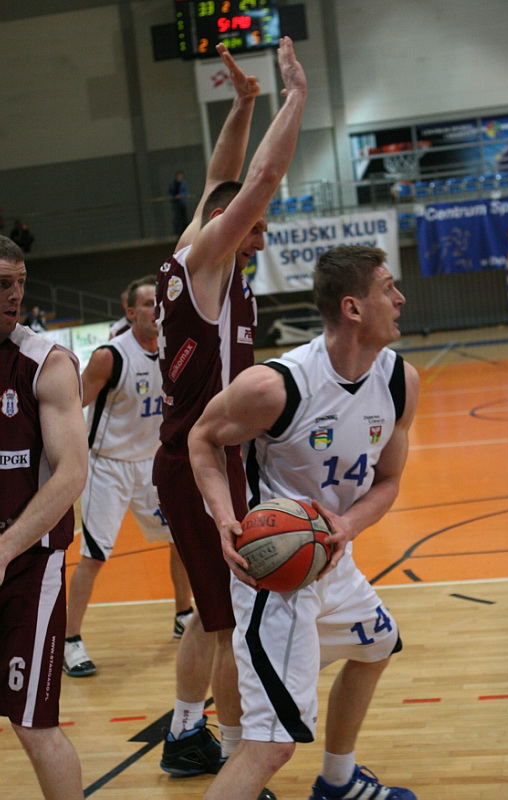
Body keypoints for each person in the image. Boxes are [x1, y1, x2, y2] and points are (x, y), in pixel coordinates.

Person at [188, 245, 420, 800]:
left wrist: (348, 525)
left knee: (378, 645)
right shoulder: (275, 387)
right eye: (387, 287)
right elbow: (201, 438)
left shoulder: (399, 381)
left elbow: (388, 481)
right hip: (279, 579)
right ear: (352, 308)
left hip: (332, 558)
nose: (400, 298)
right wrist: (224, 518)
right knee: (271, 748)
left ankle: (339, 781)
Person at [152, 37, 306, 797]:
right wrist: (292, 99)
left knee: (211, 615)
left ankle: (186, 734)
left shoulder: (198, 252)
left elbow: (223, 179)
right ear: (225, 225)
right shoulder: (209, 261)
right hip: (198, 461)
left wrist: (242, 106)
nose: (262, 231)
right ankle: (242, 761)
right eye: (255, 224)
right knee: (230, 624)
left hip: (196, 457)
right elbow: (257, 179)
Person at [63, 275, 193, 678]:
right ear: (131, 312)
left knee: (180, 540)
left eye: (160, 303)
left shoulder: (175, 351)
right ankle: (69, 640)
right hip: (109, 466)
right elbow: (71, 405)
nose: (157, 310)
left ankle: (183, 614)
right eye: (149, 304)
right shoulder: (110, 357)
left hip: (152, 465)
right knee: (94, 555)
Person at [0, 235, 87, 800]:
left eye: (21, 283)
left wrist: (6, 548)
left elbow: (72, 473)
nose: (16, 295)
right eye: (2, 284)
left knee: (33, 725)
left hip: (29, 564)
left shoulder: (46, 363)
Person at [168, 170, 189, 237]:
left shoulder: (183, 183)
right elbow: (170, 191)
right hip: (175, 202)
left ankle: (184, 230)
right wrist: (171, 196)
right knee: (176, 217)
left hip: (181, 202)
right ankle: (177, 231)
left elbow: (185, 192)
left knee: (183, 217)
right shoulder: (173, 183)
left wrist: (180, 195)